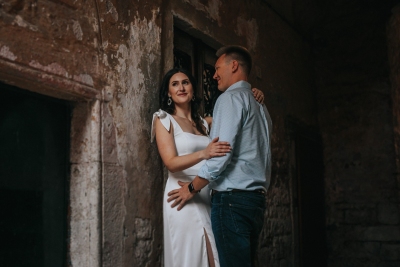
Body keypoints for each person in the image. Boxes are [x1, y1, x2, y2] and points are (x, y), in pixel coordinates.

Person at [167, 46, 272, 267]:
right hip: (256, 201)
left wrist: (192, 188)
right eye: (175, 84)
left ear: (233, 66)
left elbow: (220, 154)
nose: (214, 75)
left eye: (217, 68)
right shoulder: (261, 106)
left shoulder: (229, 99)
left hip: (231, 200)